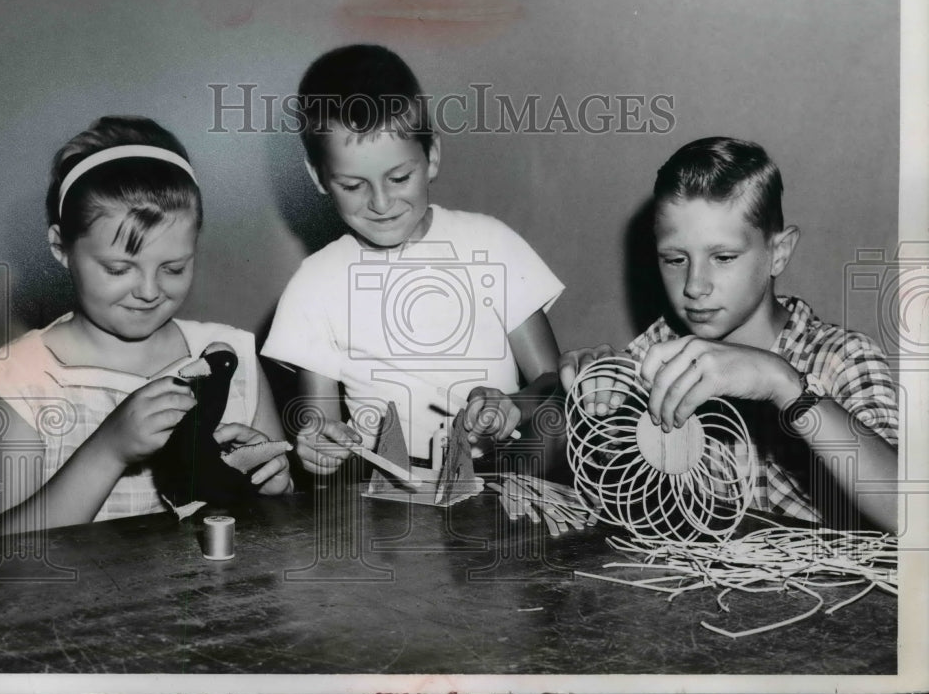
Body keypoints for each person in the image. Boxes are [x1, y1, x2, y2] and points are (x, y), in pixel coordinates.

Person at [0, 116, 292, 537]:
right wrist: (108, 451)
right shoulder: (16, 385)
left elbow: (277, 529)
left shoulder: (233, 356)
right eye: (119, 269)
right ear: (60, 247)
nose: (149, 291)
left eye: (173, 267)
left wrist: (273, 487)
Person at [558, 137, 898, 533]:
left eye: (722, 258)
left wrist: (783, 383)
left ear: (780, 252)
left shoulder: (842, 357)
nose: (695, 285)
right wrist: (586, 394)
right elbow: (593, 473)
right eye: (674, 259)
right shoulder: (661, 348)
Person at [262, 44, 564, 475]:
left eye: (399, 177)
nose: (381, 202)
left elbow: (556, 384)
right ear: (318, 178)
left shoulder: (492, 245)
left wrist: (513, 404)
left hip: (505, 485)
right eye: (353, 185)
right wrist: (318, 450)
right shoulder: (314, 286)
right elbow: (320, 427)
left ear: (432, 156)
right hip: (388, 503)